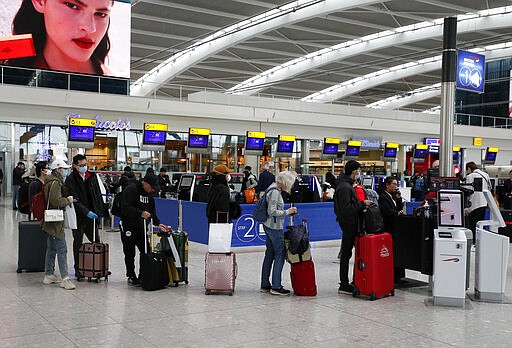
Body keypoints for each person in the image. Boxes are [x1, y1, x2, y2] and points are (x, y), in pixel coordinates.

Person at [5, 0, 115, 76]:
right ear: (39, 1)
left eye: (100, 14)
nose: (90, 28)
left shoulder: (114, 86)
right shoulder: (9, 59)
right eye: (72, 6)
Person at [119, 174, 167, 286]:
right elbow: (125, 207)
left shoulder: (149, 194)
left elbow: (152, 210)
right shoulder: (131, 189)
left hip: (142, 227)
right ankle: (131, 275)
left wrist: (158, 223)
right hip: (128, 225)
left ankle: (143, 274)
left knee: (146, 250)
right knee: (129, 252)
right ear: (144, 182)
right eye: (151, 187)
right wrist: (140, 213)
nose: (152, 190)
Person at [334, 160, 373, 294]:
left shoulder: (345, 185)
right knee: (346, 254)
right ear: (353, 171)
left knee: (349, 253)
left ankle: (351, 281)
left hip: (349, 223)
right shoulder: (345, 187)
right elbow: (346, 209)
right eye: (357, 170)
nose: (358, 173)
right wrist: (362, 203)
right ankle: (344, 284)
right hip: (349, 224)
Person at [65, 154, 106, 280]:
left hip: (92, 217)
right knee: (78, 242)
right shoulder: (71, 179)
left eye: (85, 164)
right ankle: (78, 269)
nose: (84, 167)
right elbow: (74, 199)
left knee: (97, 242)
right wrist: (85, 211)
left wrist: (100, 212)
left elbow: (98, 195)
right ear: (75, 166)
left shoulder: (91, 176)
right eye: (81, 165)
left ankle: (99, 267)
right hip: (78, 217)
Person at [260, 171, 297, 296]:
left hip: (267, 225)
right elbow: (272, 211)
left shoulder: (271, 188)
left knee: (269, 254)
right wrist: (287, 212)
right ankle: (276, 286)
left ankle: (265, 284)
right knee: (280, 254)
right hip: (275, 227)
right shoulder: (275, 192)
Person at [42, 159, 75, 290]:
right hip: (55, 220)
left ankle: (49, 274)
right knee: (62, 249)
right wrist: (68, 200)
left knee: (51, 248)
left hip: (50, 220)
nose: (65, 171)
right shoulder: (55, 183)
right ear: (58, 169)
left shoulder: (50, 181)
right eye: (64, 169)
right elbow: (56, 201)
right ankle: (65, 278)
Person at [378, 176, 406, 284]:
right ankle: (393, 276)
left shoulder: (392, 197)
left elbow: (397, 209)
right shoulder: (383, 197)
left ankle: (398, 276)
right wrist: (396, 213)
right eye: (393, 184)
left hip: (396, 227)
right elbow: (387, 211)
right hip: (388, 228)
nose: (395, 186)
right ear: (387, 185)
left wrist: (399, 199)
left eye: (396, 184)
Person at [465, 162, 491, 244]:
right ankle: (479, 242)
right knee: (480, 224)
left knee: (472, 224)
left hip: (474, 204)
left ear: (469, 168)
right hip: (484, 202)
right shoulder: (485, 175)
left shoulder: (470, 176)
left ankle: (473, 242)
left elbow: (467, 191)